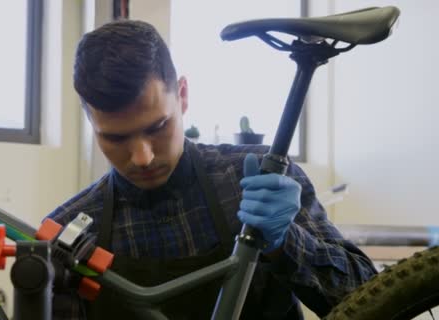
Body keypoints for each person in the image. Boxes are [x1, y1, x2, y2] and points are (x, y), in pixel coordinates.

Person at [46, 19, 376, 319]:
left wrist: (287, 242)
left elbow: (375, 301)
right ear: (90, 121)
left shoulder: (257, 181)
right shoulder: (70, 232)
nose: (142, 157)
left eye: (157, 127)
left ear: (183, 95)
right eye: (115, 138)